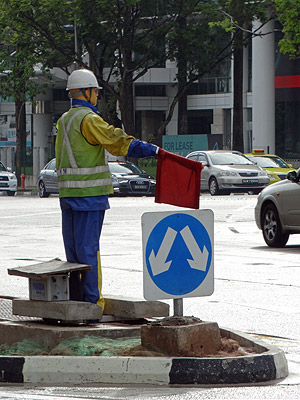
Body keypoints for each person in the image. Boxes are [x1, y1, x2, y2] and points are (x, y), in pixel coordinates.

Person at [55, 68, 158, 311]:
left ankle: (78, 300)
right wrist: (145, 149)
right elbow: (115, 140)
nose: (97, 97)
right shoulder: (88, 120)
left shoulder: (64, 120)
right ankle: (92, 304)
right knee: (89, 251)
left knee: (74, 253)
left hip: (67, 196)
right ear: (87, 92)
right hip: (89, 197)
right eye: (95, 93)